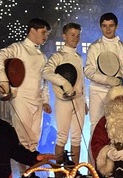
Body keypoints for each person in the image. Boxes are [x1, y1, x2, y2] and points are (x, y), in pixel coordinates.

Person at [0, 18, 52, 154]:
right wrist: (4, 81)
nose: (45, 37)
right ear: (32, 30)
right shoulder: (18, 48)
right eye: (43, 32)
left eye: (47, 34)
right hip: (21, 98)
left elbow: (44, 80)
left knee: (35, 139)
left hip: (38, 100)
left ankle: (31, 173)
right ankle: (25, 174)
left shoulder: (42, 56)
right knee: (23, 140)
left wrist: (46, 100)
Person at [84, 12, 123, 140]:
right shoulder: (94, 47)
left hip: (117, 92)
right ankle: (94, 159)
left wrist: (116, 73)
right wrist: (107, 79)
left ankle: (116, 159)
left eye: (111, 25)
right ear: (100, 27)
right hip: (97, 91)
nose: (108, 29)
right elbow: (89, 71)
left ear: (116, 26)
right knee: (96, 127)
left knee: (117, 126)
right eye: (104, 26)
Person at [43, 22, 87, 164]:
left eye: (78, 35)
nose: (75, 38)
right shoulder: (57, 56)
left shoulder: (79, 57)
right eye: (72, 35)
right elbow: (46, 72)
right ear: (64, 36)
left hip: (79, 101)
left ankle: (73, 173)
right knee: (62, 136)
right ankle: (59, 175)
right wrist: (65, 83)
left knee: (77, 137)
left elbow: (82, 81)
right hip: (63, 102)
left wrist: (85, 101)